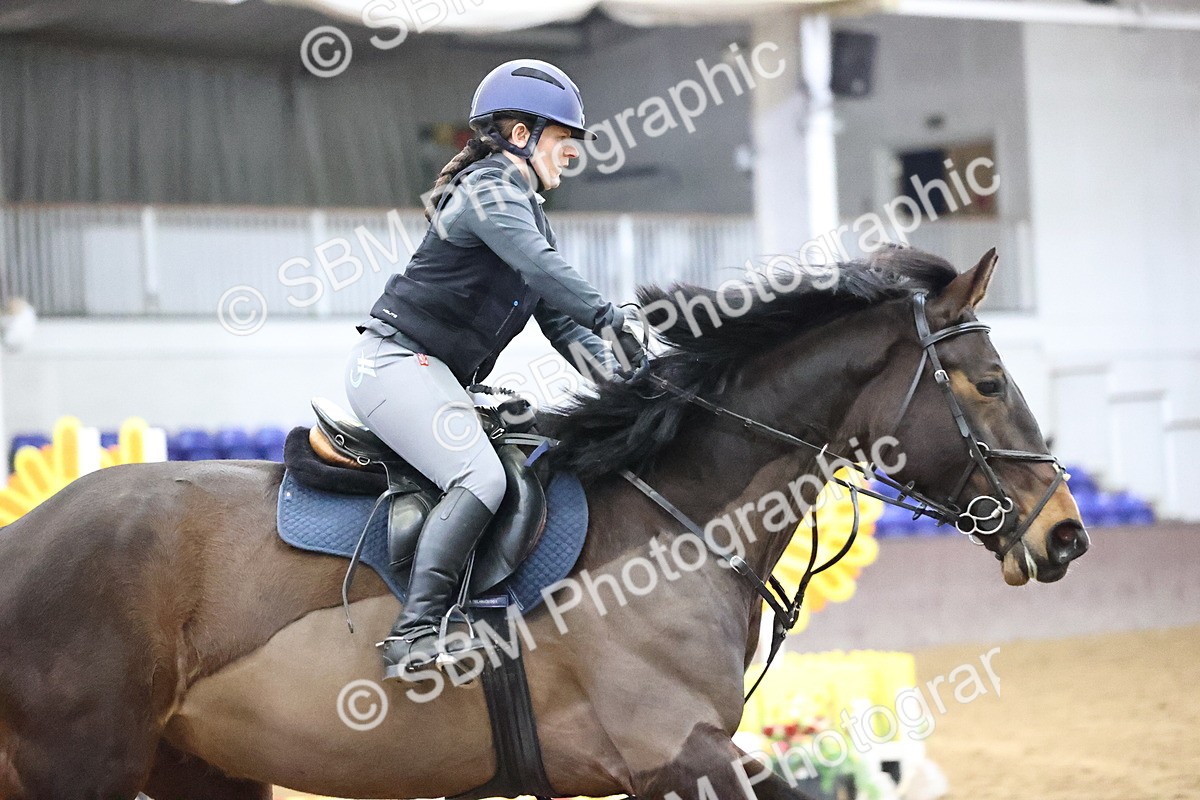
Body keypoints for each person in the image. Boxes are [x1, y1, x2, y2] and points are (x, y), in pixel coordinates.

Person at [345, 58, 645, 682]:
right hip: (394, 364)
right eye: (564, 141)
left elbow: (559, 323)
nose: (570, 155)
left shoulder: (525, 210)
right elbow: (544, 274)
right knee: (479, 476)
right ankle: (417, 630)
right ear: (519, 136)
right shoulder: (488, 191)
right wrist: (611, 313)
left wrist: (628, 387)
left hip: (434, 374)